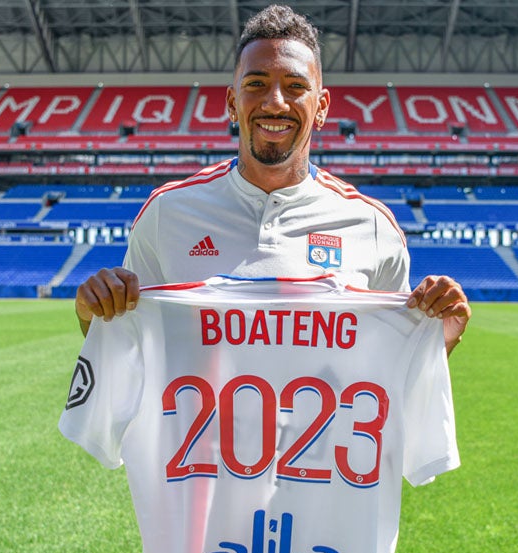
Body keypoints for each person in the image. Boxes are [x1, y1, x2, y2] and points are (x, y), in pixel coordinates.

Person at [74, 4, 470, 352]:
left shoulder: (373, 228)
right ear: (232, 102)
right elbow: (130, 352)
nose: (275, 102)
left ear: (322, 107)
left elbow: (388, 372)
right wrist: (92, 317)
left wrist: (438, 342)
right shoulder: (167, 213)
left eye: (296, 86)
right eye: (256, 84)